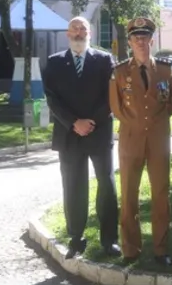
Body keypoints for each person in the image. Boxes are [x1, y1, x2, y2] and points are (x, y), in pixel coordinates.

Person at [41, 16, 119, 260]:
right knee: (73, 186)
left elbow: (111, 95)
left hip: (99, 131)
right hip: (69, 133)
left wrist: (90, 122)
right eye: (74, 28)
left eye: (82, 28)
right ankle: (76, 237)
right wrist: (74, 122)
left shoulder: (105, 60)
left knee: (106, 185)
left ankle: (109, 240)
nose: (78, 32)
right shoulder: (54, 62)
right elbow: (52, 98)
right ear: (67, 34)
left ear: (90, 33)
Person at [109, 17, 172, 265]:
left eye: (144, 37)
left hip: (158, 139)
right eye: (135, 37)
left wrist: (154, 125)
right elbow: (116, 109)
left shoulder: (165, 70)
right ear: (129, 42)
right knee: (129, 194)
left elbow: (171, 103)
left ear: (151, 39)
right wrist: (138, 125)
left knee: (160, 193)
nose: (140, 41)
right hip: (130, 141)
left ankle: (161, 248)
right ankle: (130, 248)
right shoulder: (118, 72)